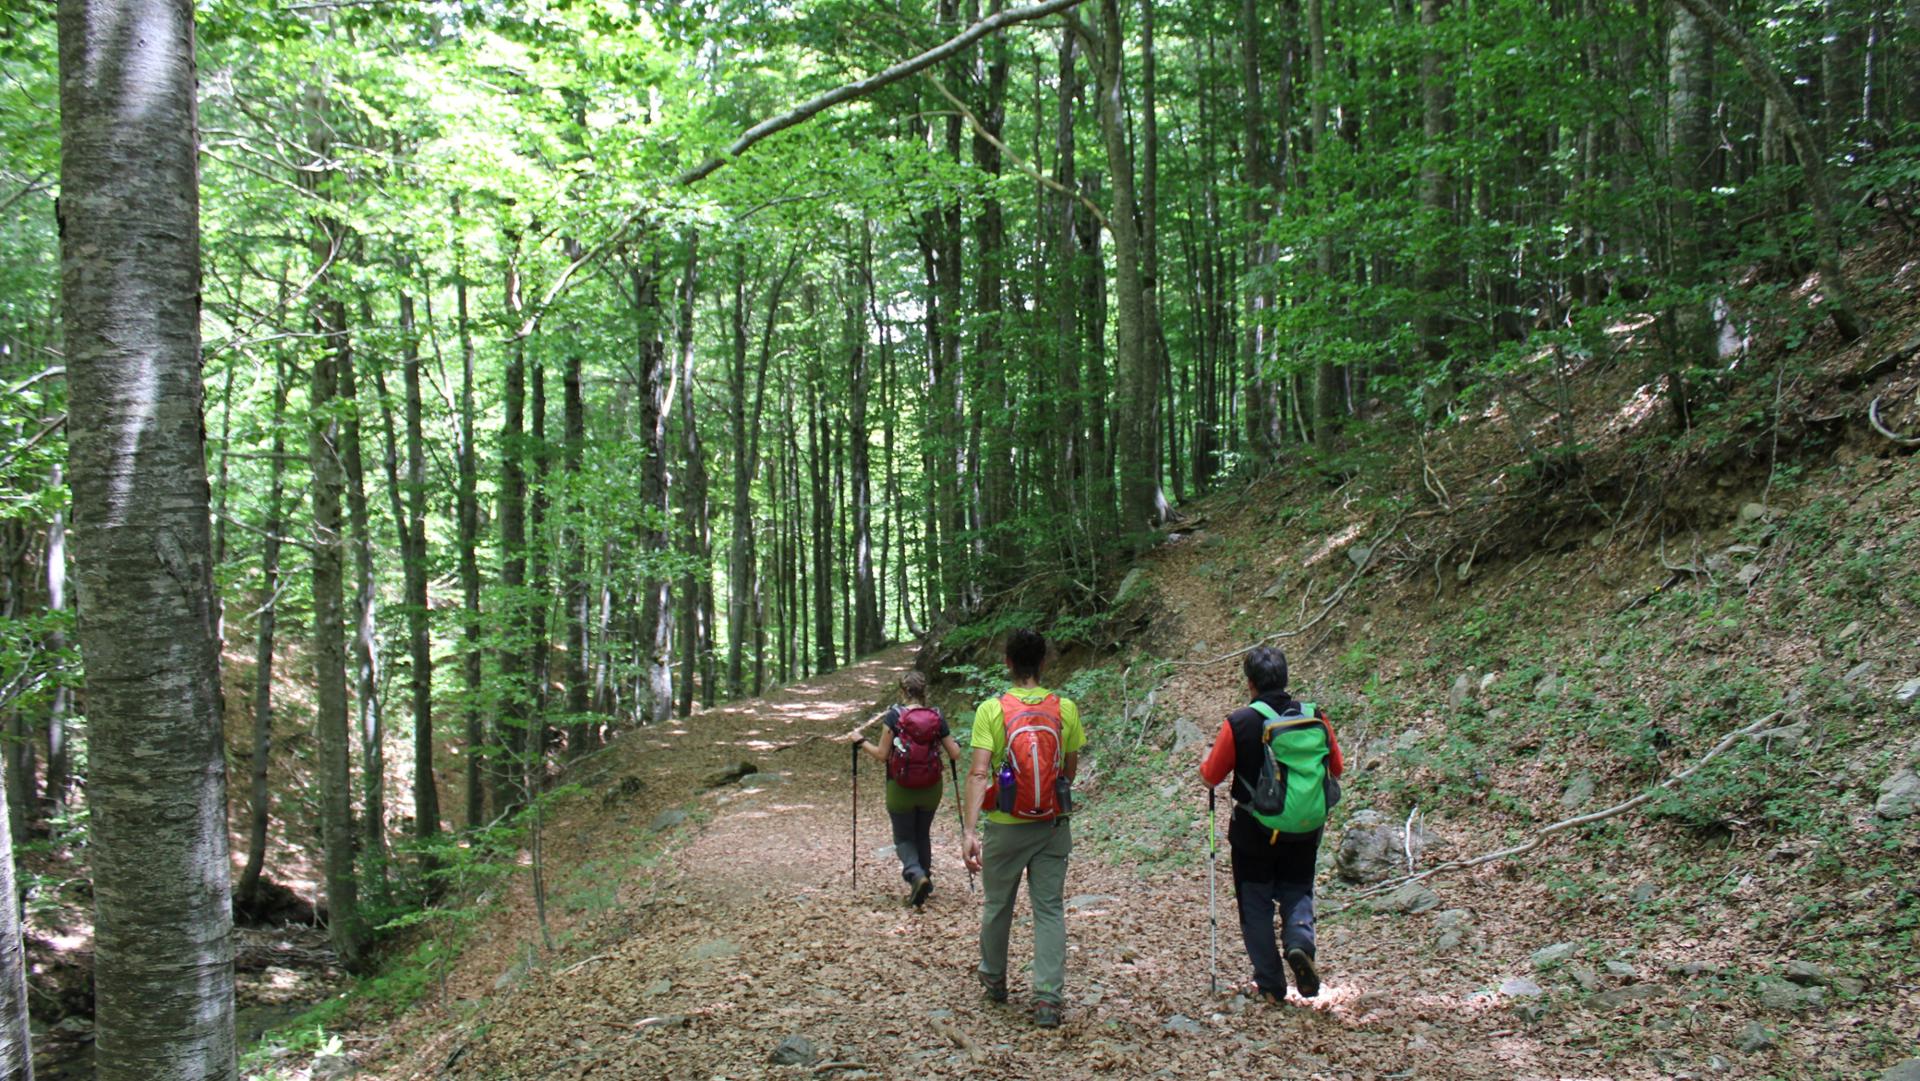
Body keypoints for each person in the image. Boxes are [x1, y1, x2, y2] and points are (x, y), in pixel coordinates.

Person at [1197, 646, 1344, 1004]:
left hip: (1254, 833)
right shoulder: (1314, 716)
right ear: (1286, 678)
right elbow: (1336, 769)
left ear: (1250, 683)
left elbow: (1211, 775)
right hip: (1305, 826)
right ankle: (1299, 943)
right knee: (1297, 890)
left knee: (1256, 901)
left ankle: (1270, 984)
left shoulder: (1240, 722)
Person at [960, 628, 1085, 1029]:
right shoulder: (1064, 708)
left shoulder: (991, 710)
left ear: (1008, 663)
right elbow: (1068, 769)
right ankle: (1047, 997)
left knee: (999, 905)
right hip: (1052, 824)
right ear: (1044, 662)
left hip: (1005, 825)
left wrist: (969, 830)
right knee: (1048, 908)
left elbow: (979, 772)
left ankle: (995, 980)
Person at [855, 670, 964, 907]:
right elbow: (955, 753)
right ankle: (924, 878)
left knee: (904, 837)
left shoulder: (895, 716)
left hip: (900, 786)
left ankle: (916, 874)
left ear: (902, 691)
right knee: (922, 832)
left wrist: (861, 741)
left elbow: (883, 755)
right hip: (931, 787)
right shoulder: (936, 716)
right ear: (925, 692)